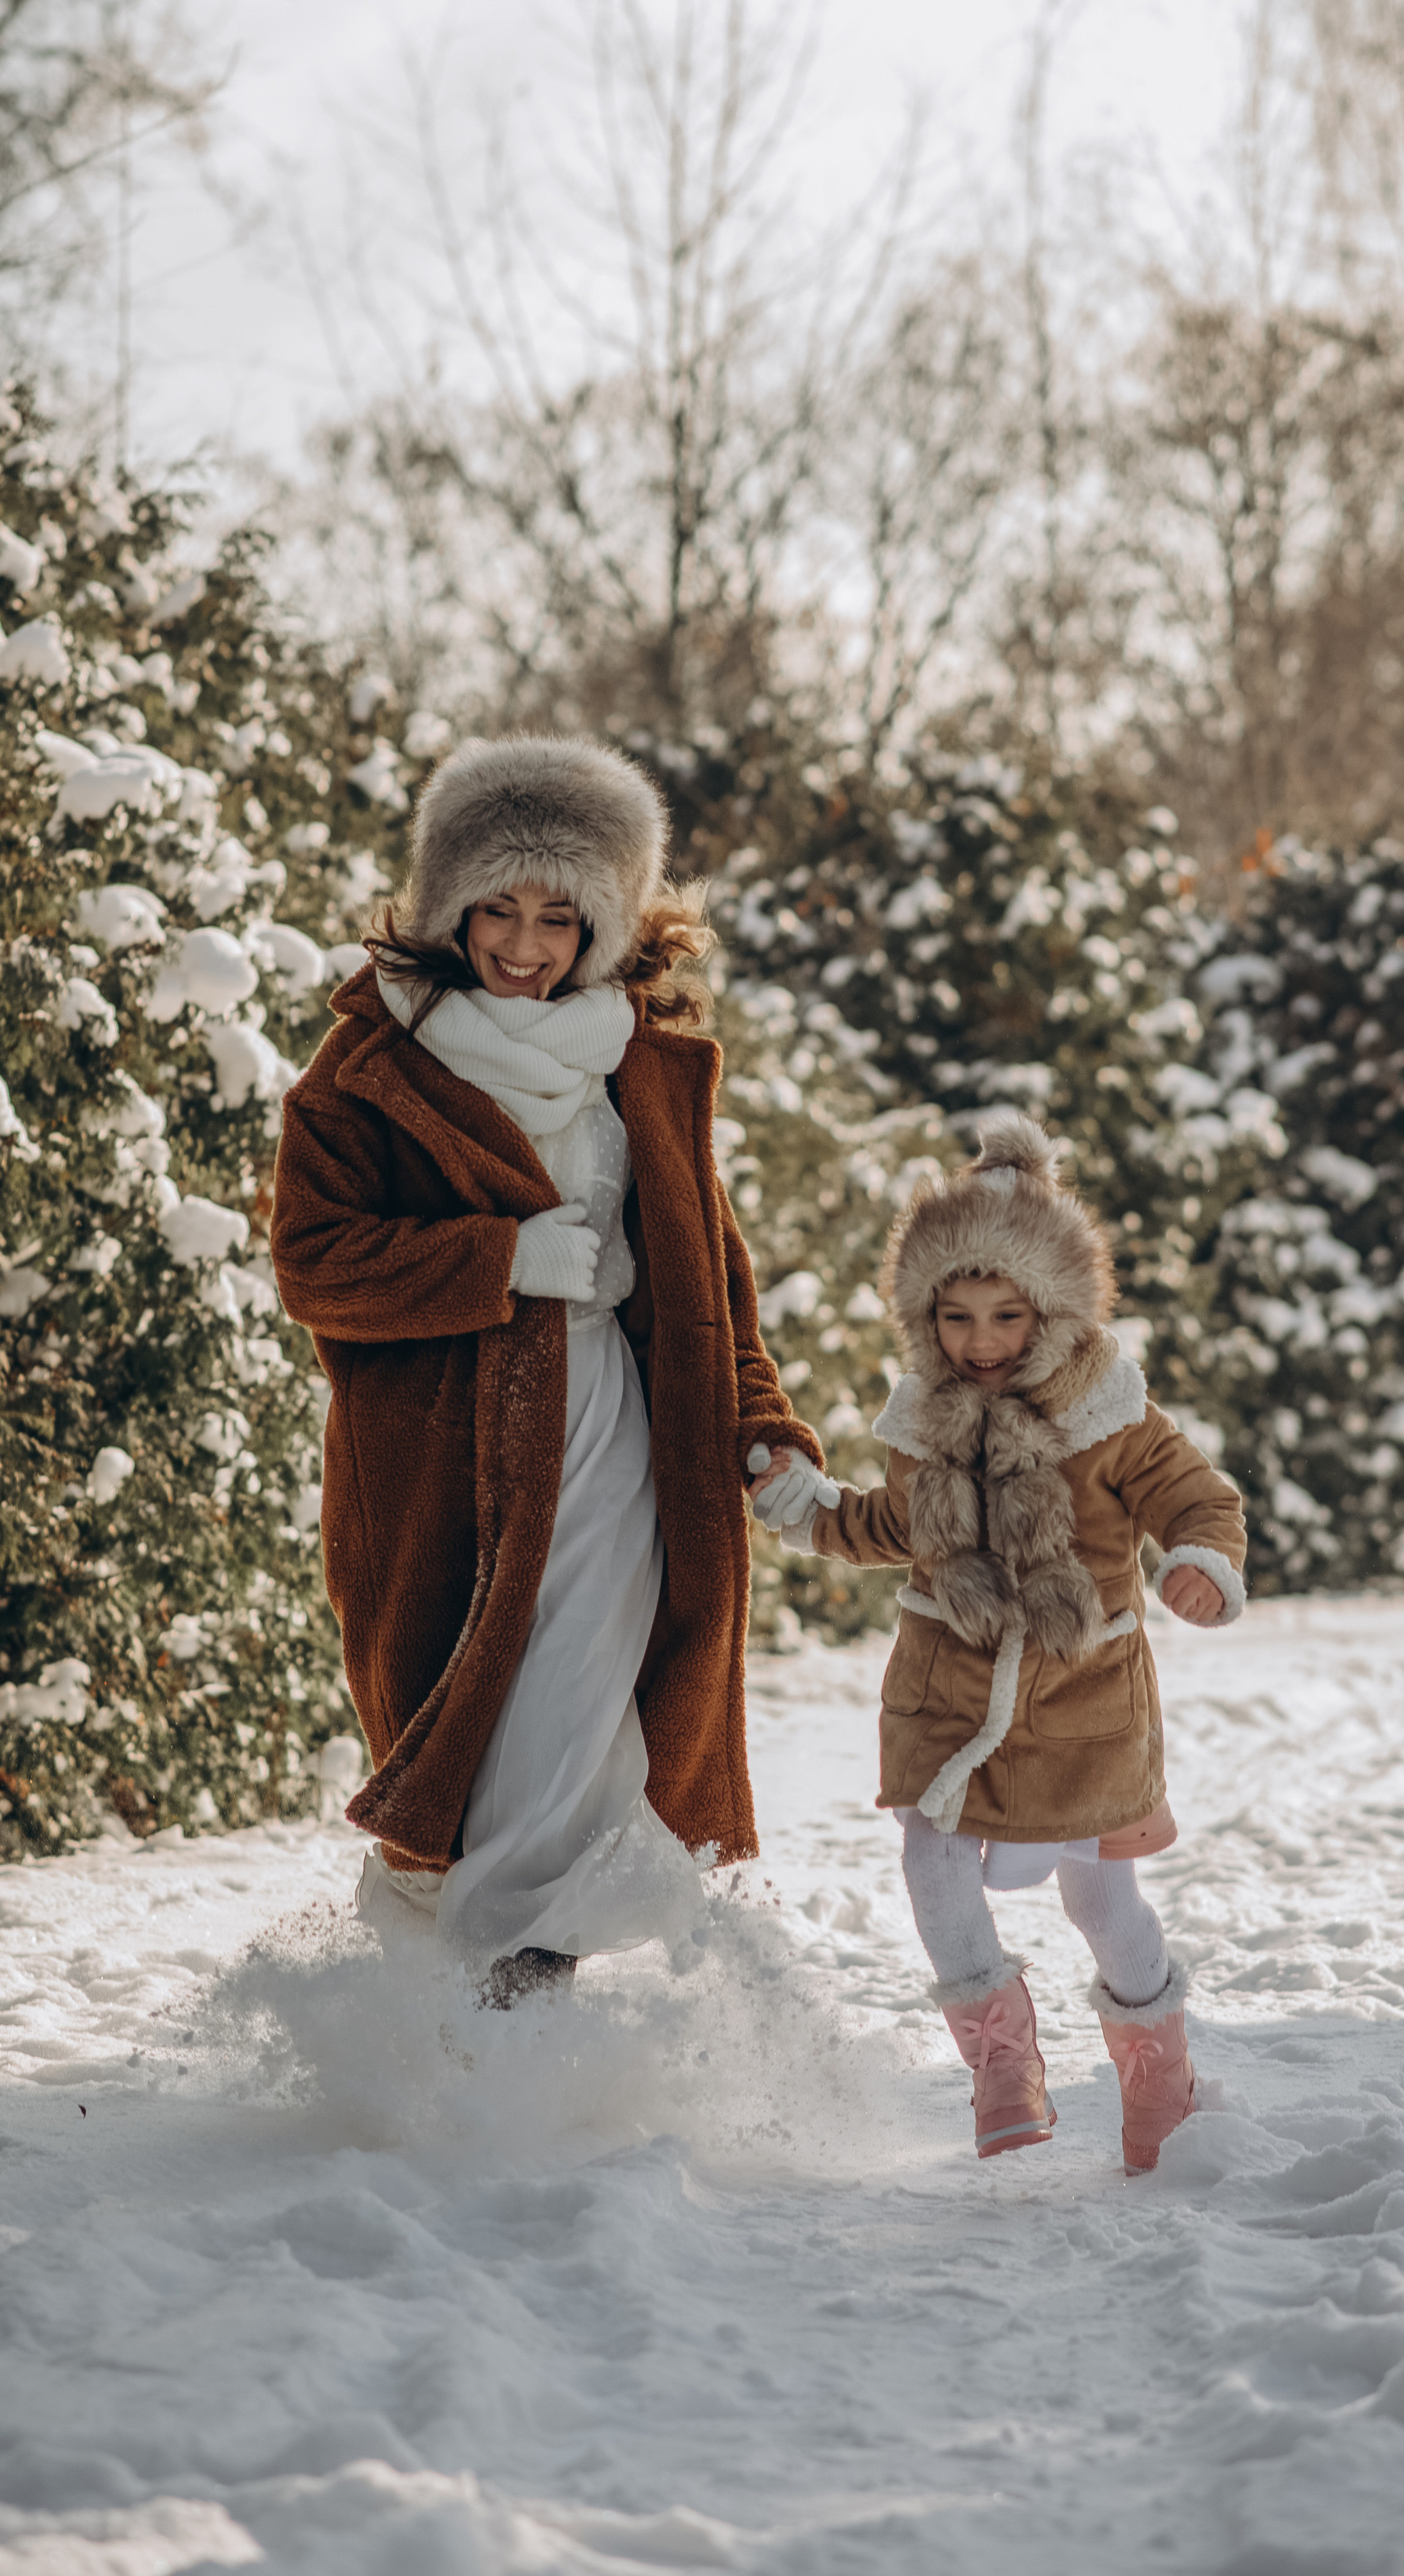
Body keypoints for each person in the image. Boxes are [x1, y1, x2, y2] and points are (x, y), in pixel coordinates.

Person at [271, 734, 821, 2006]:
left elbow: (712, 1283)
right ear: (447, 907)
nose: (523, 945)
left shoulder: (644, 1060)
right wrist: (498, 1260)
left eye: (560, 916)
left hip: (616, 1436)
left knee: (575, 1718)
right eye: (497, 909)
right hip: (442, 1464)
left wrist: (765, 1426)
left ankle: (518, 2007)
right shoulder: (371, 1065)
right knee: (468, 1742)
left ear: (606, 924)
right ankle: (442, 2018)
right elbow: (313, 1261)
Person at [750, 1113, 1246, 2170]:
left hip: (1080, 1705)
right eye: (958, 1316)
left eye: (1007, 1315)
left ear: (1053, 1311)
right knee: (929, 1856)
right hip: (948, 1693)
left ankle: (1158, 2076)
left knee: (1100, 1895)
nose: (981, 1341)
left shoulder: (1111, 1416)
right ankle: (1001, 2057)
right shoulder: (924, 1423)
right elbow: (893, 1527)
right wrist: (806, 1506)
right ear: (925, 1316)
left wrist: (1202, 1561)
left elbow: (1196, 1497)